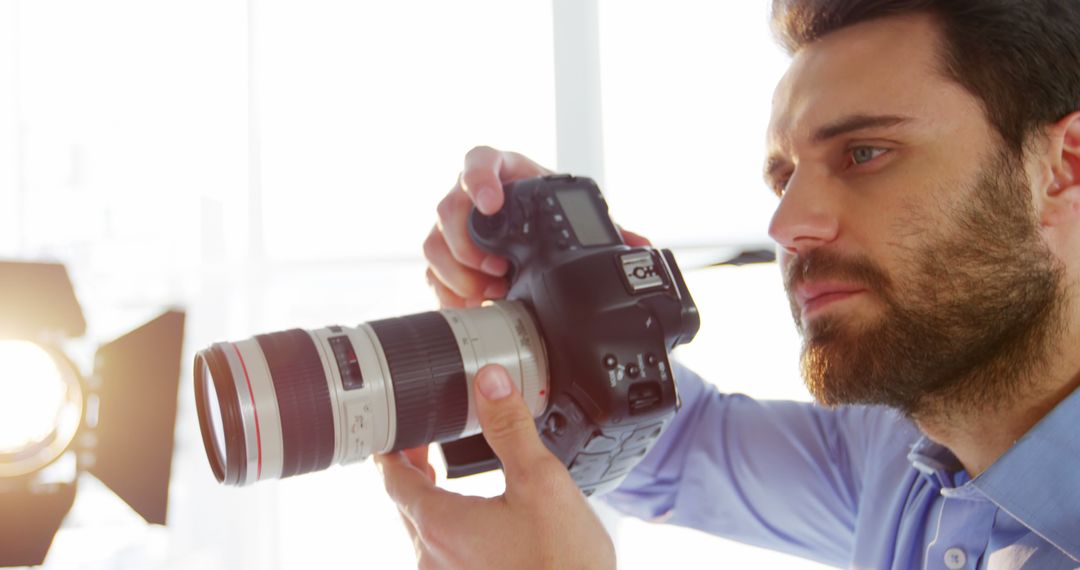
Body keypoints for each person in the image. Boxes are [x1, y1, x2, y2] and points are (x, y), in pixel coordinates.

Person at [374, 0, 1080, 568]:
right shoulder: (901, 460)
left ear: (1063, 165)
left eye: (864, 153)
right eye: (784, 177)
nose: (787, 223)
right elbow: (682, 449)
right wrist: (554, 303)